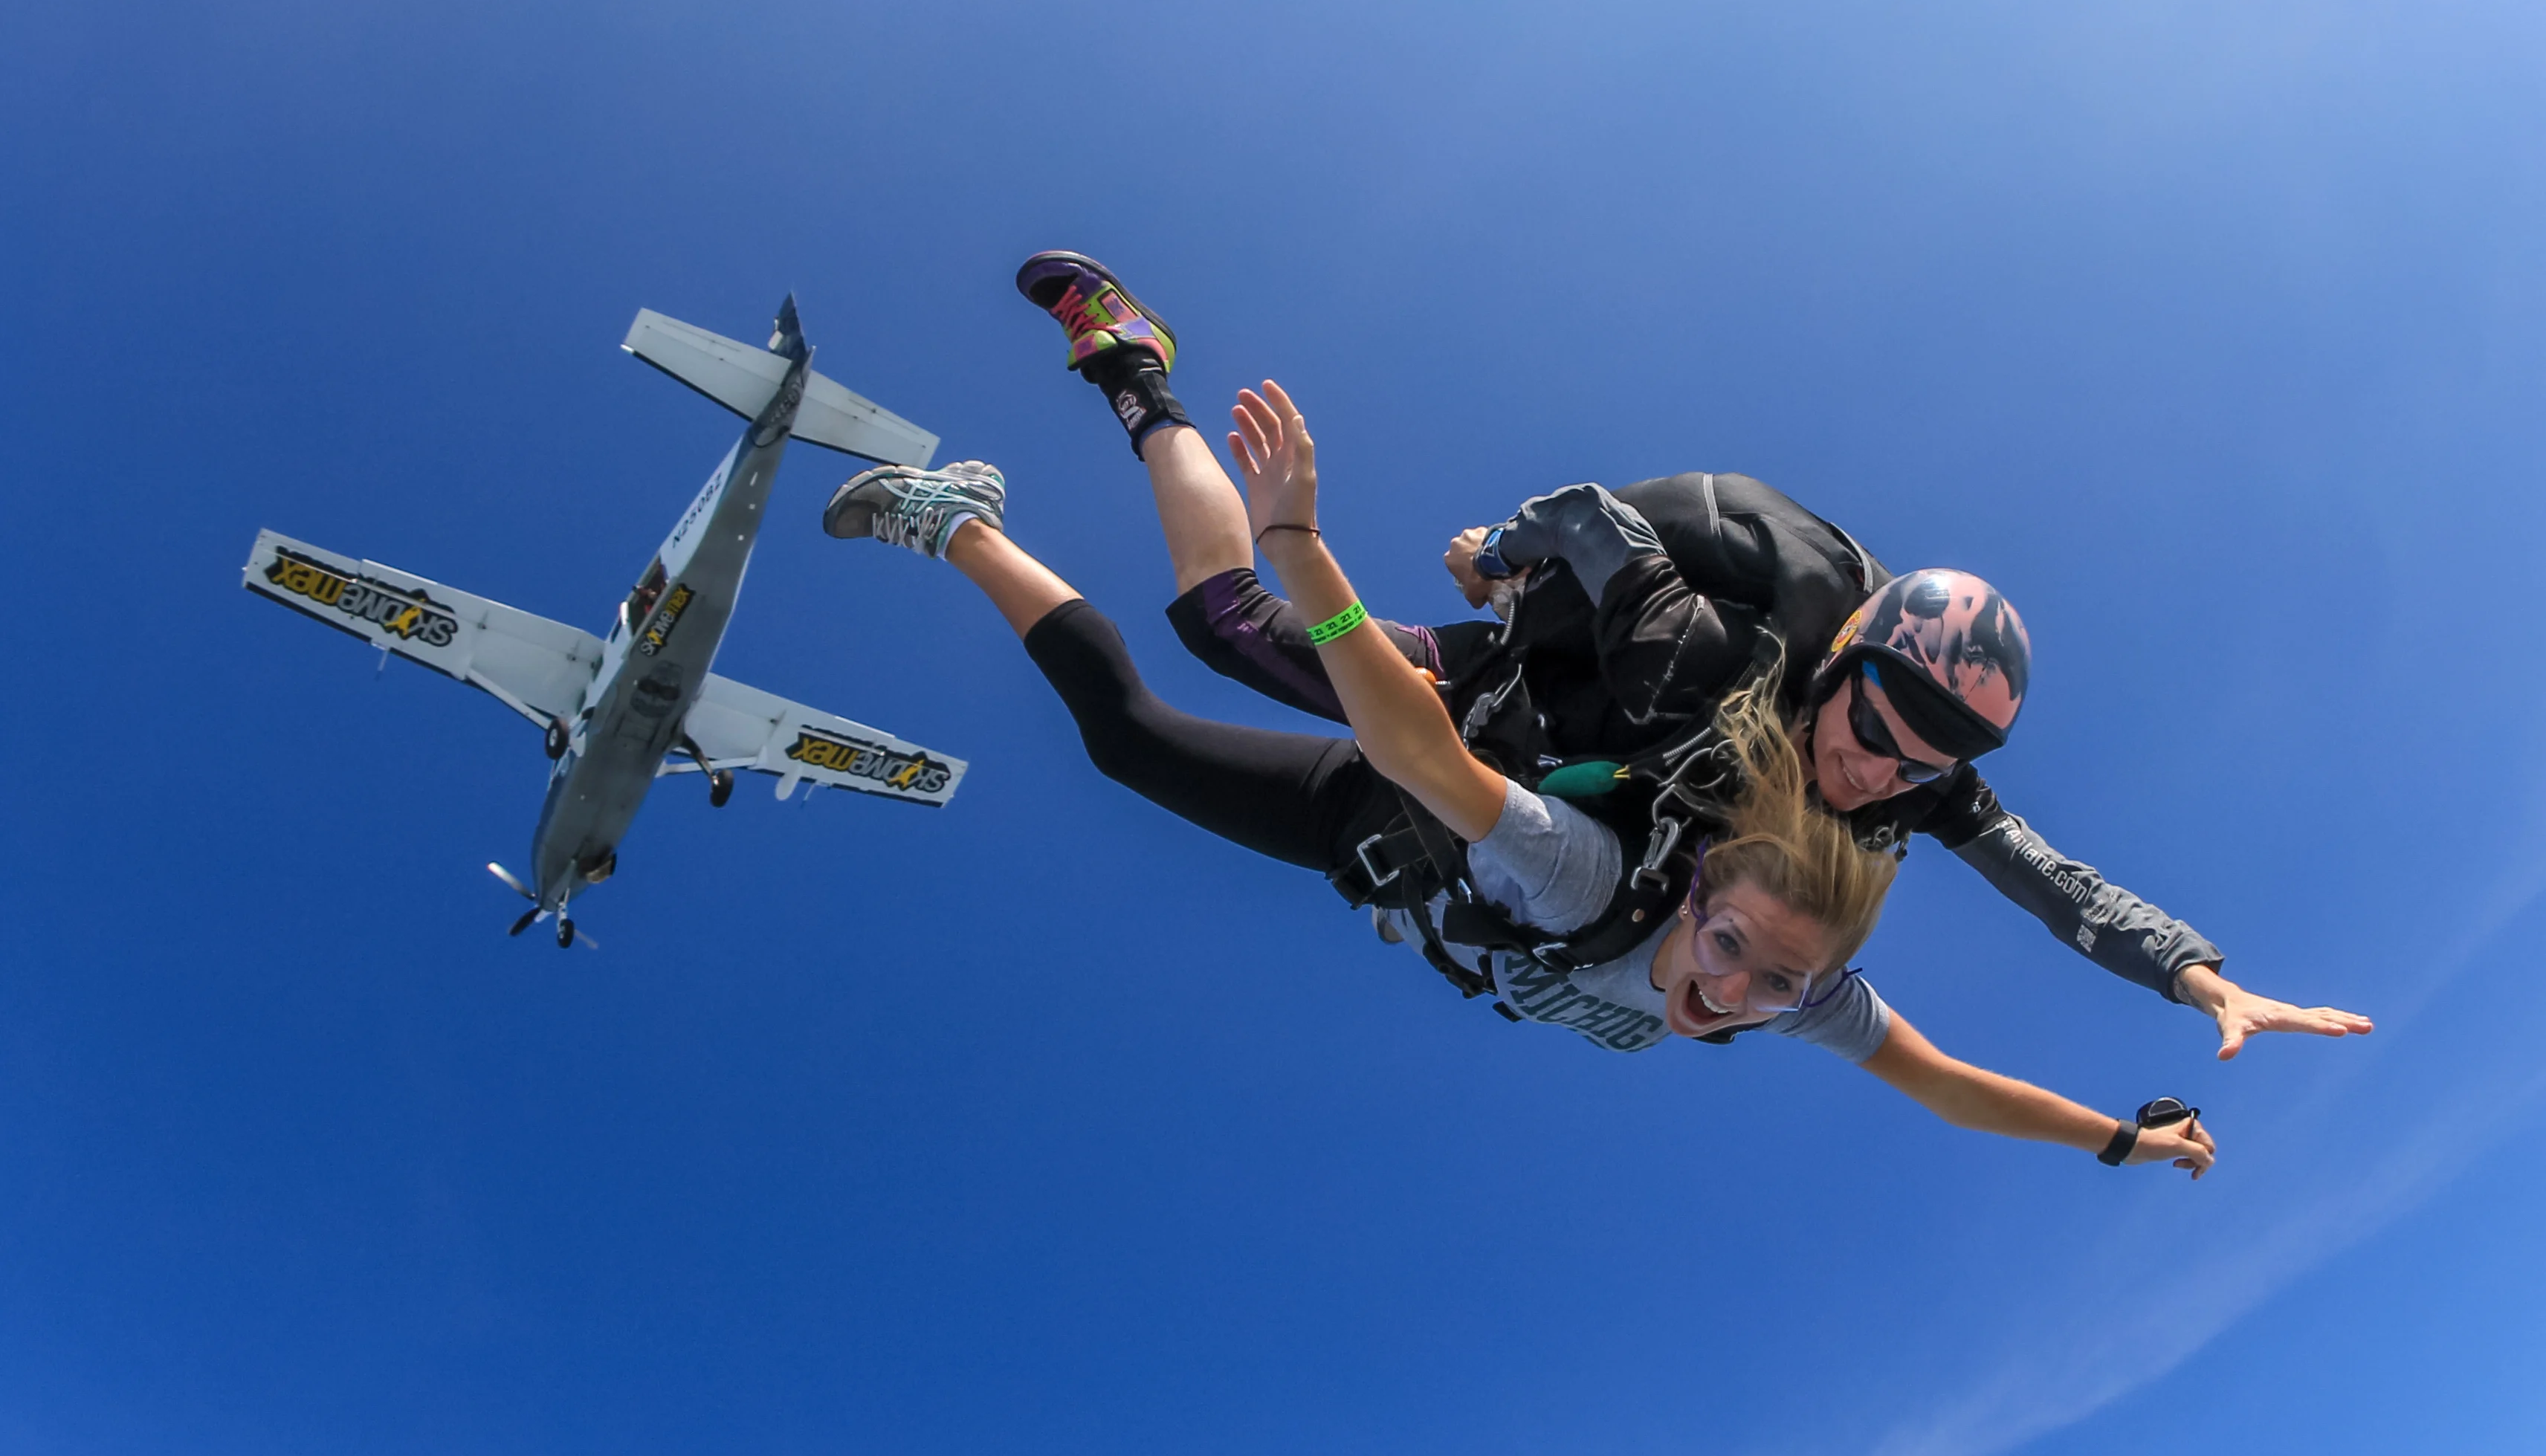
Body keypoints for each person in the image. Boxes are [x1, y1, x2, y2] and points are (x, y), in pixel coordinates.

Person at [816, 379, 2217, 1178]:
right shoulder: (1679, 723)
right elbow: (1438, 724)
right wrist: (1458, 556)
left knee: (1131, 734)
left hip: (1400, 854)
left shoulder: (1811, 951)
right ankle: (1113, 409)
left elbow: (1962, 1063)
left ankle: (985, 515)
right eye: (1730, 953)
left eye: (1770, 990)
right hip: (1472, 737)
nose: (1728, 996)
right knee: (1219, 630)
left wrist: (2158, 1058)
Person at [1004, 250, 2371, 1064]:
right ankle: (1136, 375)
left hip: (1543, 803)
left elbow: (2053, 884)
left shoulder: (1908, 781)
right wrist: (1504, 560)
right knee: (1226, 622)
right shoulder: (1769, 576)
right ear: (1848, 653)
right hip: (1511, 692)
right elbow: (1602, 519)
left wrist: (2201, 976)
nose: (1874, 773)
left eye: (1931, 764)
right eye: (1879, 725)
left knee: (1210, 696)